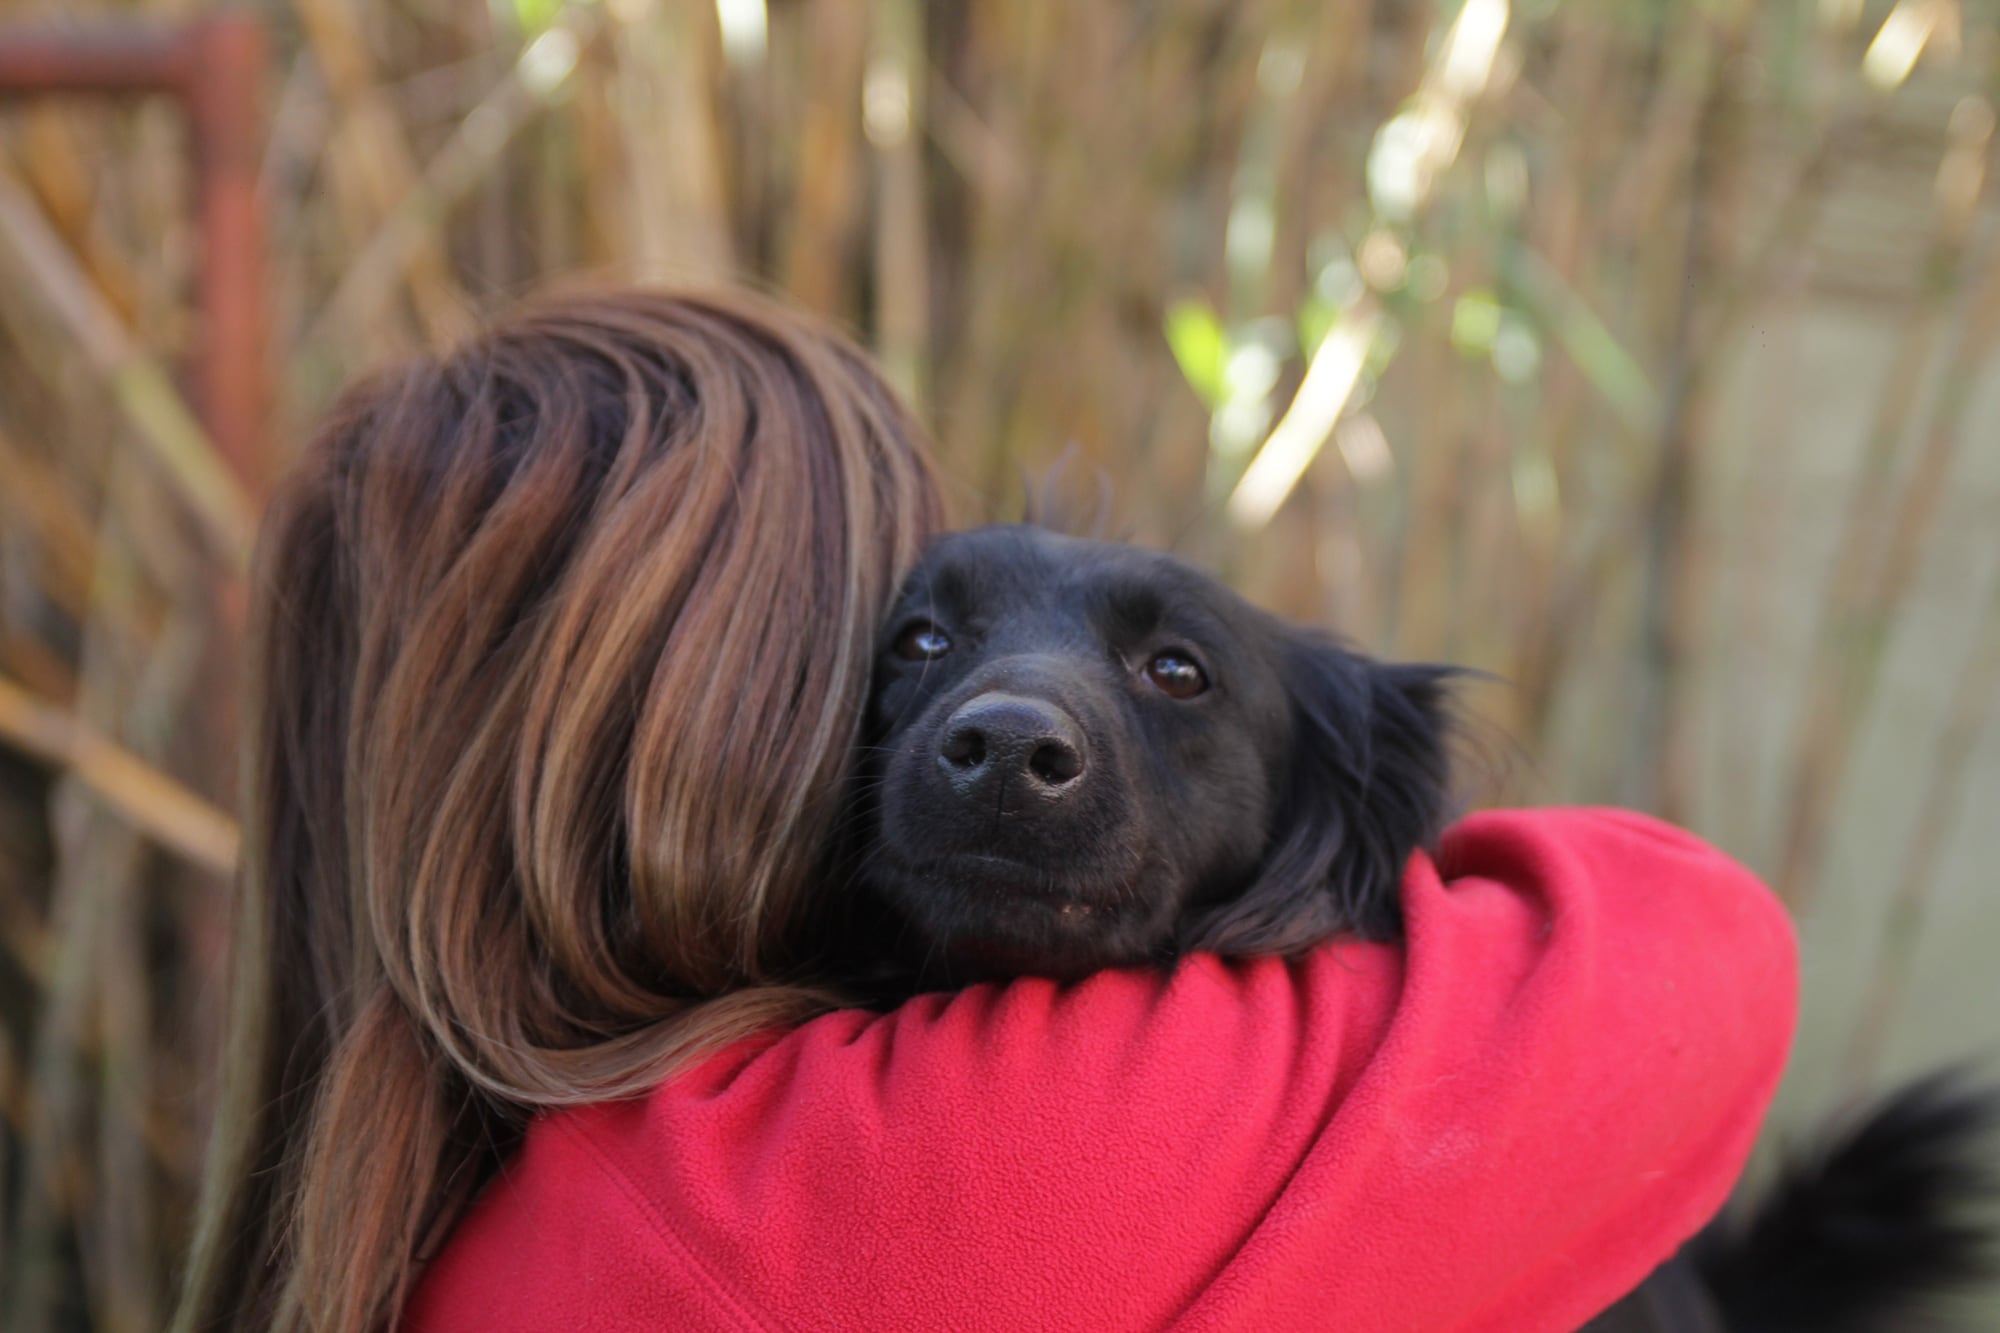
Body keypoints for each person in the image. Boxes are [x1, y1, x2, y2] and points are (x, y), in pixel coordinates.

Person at [172, 289, 1796, 1333]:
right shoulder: (841, 1206)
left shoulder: (456, 1238)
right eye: (909, 642)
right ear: (707, 708)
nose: (1008, 717)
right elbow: (1700, 952)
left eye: (1172, 672)